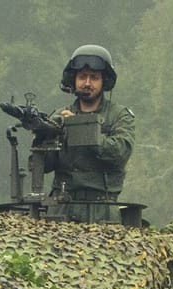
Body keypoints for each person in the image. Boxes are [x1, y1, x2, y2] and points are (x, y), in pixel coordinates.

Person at [39, 44, 135, 205]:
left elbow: (120, 152)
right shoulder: (59, 116)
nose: (87, 83)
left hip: (102, 205)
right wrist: (43, 136)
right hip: (62, 204)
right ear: (74, 80)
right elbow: (43, 166)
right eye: (82, 77)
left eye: (94, 77)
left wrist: (80, 127)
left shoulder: (119, 115)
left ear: (104, 81)